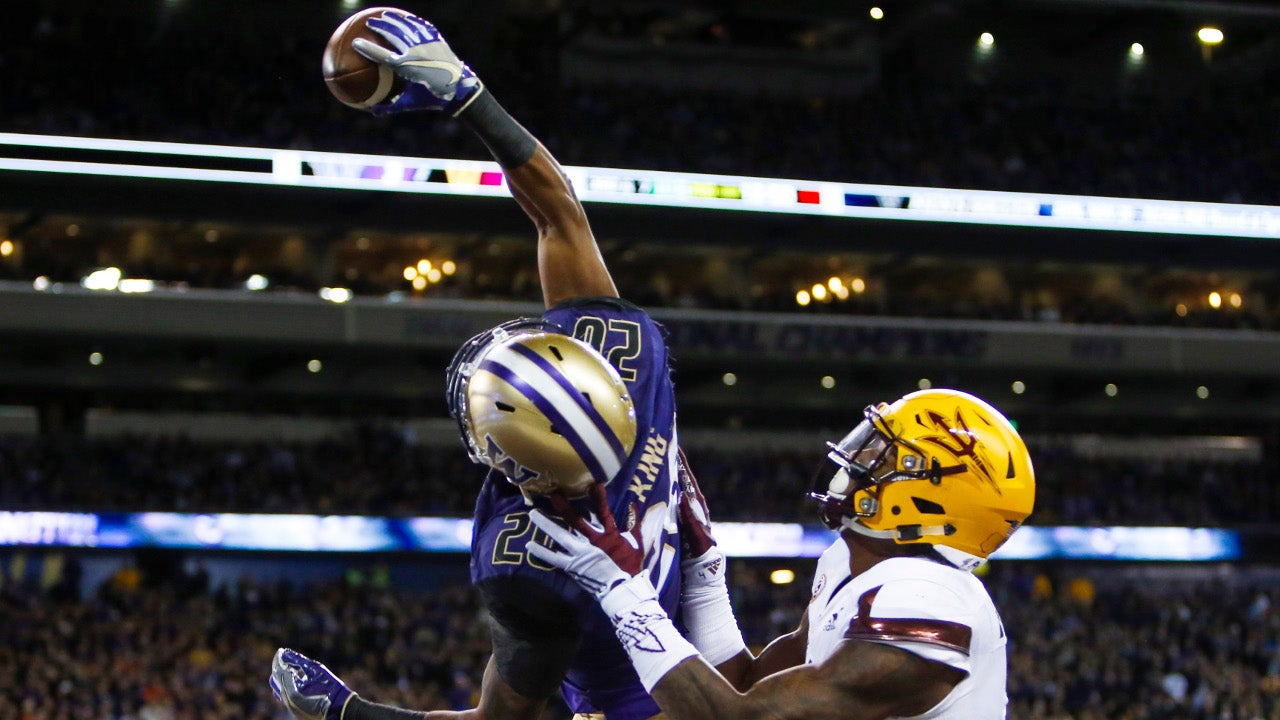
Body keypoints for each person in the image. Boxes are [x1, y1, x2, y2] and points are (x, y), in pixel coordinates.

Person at [268, 9, 724, 720]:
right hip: (710, 672)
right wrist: (467, 96)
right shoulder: (627, 357)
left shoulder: (523, 557)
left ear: (506, 459)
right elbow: (558, 213)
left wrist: (346, 713)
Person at [527, 388, 1037, 720]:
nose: (855, 460)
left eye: (883, 456)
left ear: (926, 497)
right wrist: (706, 577)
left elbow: (736, 718)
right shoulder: (854, 568)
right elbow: (746, 684)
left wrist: (622, 592)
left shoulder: (929, 598)